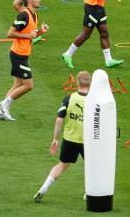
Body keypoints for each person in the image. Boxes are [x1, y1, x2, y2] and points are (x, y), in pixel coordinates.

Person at [34, 71, 91, 203]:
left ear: (77, 82)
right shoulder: (94, 100)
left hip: (70, 139)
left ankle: (44, 188)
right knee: (91, 166)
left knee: (62, 165)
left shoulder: (69, 98)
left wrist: (55, 139)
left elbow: (59, 120)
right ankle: (89, 193)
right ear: (90, 84)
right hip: (88, 141)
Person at [0, 0, 49, 121]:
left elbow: (30, 34)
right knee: (28, 85)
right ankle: (4, 104)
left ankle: (0, 111)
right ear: (29, 0)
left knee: (18, 83)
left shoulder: (34, 15)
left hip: (23, 54)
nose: (39, 0)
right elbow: (10, 33)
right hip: (18, 54)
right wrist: (28, 36)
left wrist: (40, 31)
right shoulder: (24, 14)